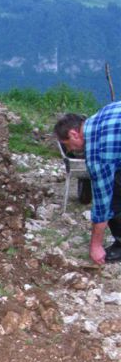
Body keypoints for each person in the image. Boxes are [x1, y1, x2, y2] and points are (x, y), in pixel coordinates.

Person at [54, 102, 121, 264]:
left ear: (74, 134)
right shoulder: (107, 111)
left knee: (112, 195)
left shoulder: (99, 152)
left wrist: (95, 245)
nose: (70, 150)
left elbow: (102, 201)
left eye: (67, 145)